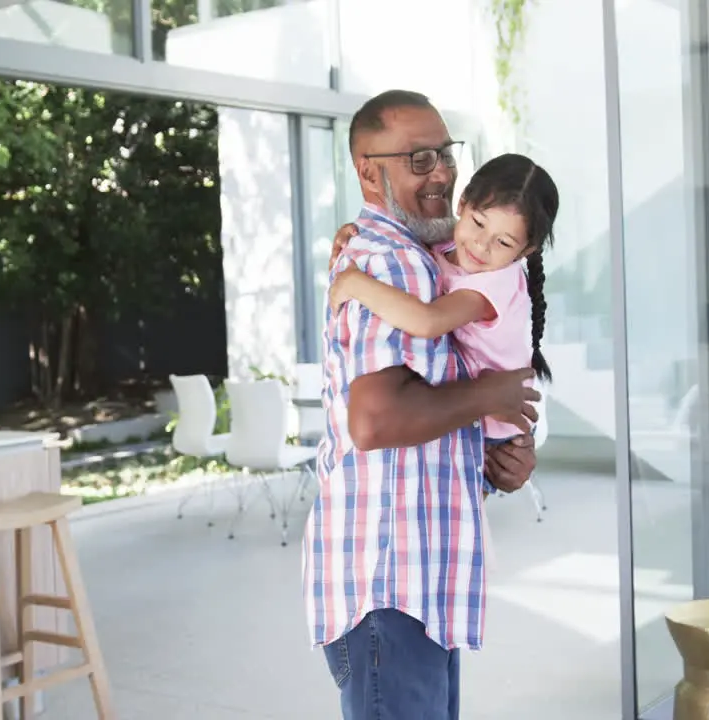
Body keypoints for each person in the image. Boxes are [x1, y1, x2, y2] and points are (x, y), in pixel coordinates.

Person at [302, 89, 540, 720]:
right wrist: (491, 395)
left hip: (415, 584)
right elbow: (375, 421)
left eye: (444, 153)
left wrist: (495, 456)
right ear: (367, 169)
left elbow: (442, 398)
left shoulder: (429, 258)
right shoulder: (393, 264)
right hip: (391, 585)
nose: (439, 171)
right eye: (417, 158)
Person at [327, 152, 559, 496]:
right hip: (470, 410)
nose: (481, 245)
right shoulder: (452, 241)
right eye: (479, 223)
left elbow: (428, 321)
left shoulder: (494, 283)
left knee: (455, 516)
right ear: (462, 203)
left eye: (504, 242)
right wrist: (354, 235)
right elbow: (400, 236)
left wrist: (355, 283)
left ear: (525, 251)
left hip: (495, 439)